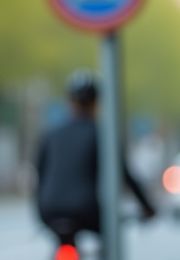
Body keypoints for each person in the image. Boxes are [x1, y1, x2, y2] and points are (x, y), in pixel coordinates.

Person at [35, 69, 156, 238]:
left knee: (61, 238)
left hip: (49, 210)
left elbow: (40, 175)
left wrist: (39, 212)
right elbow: (124, 174)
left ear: (68, 100)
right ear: (96, 103)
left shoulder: (51, 135)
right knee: (110, 239)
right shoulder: (103, 135)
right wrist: (147, 206)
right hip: (87, 210)